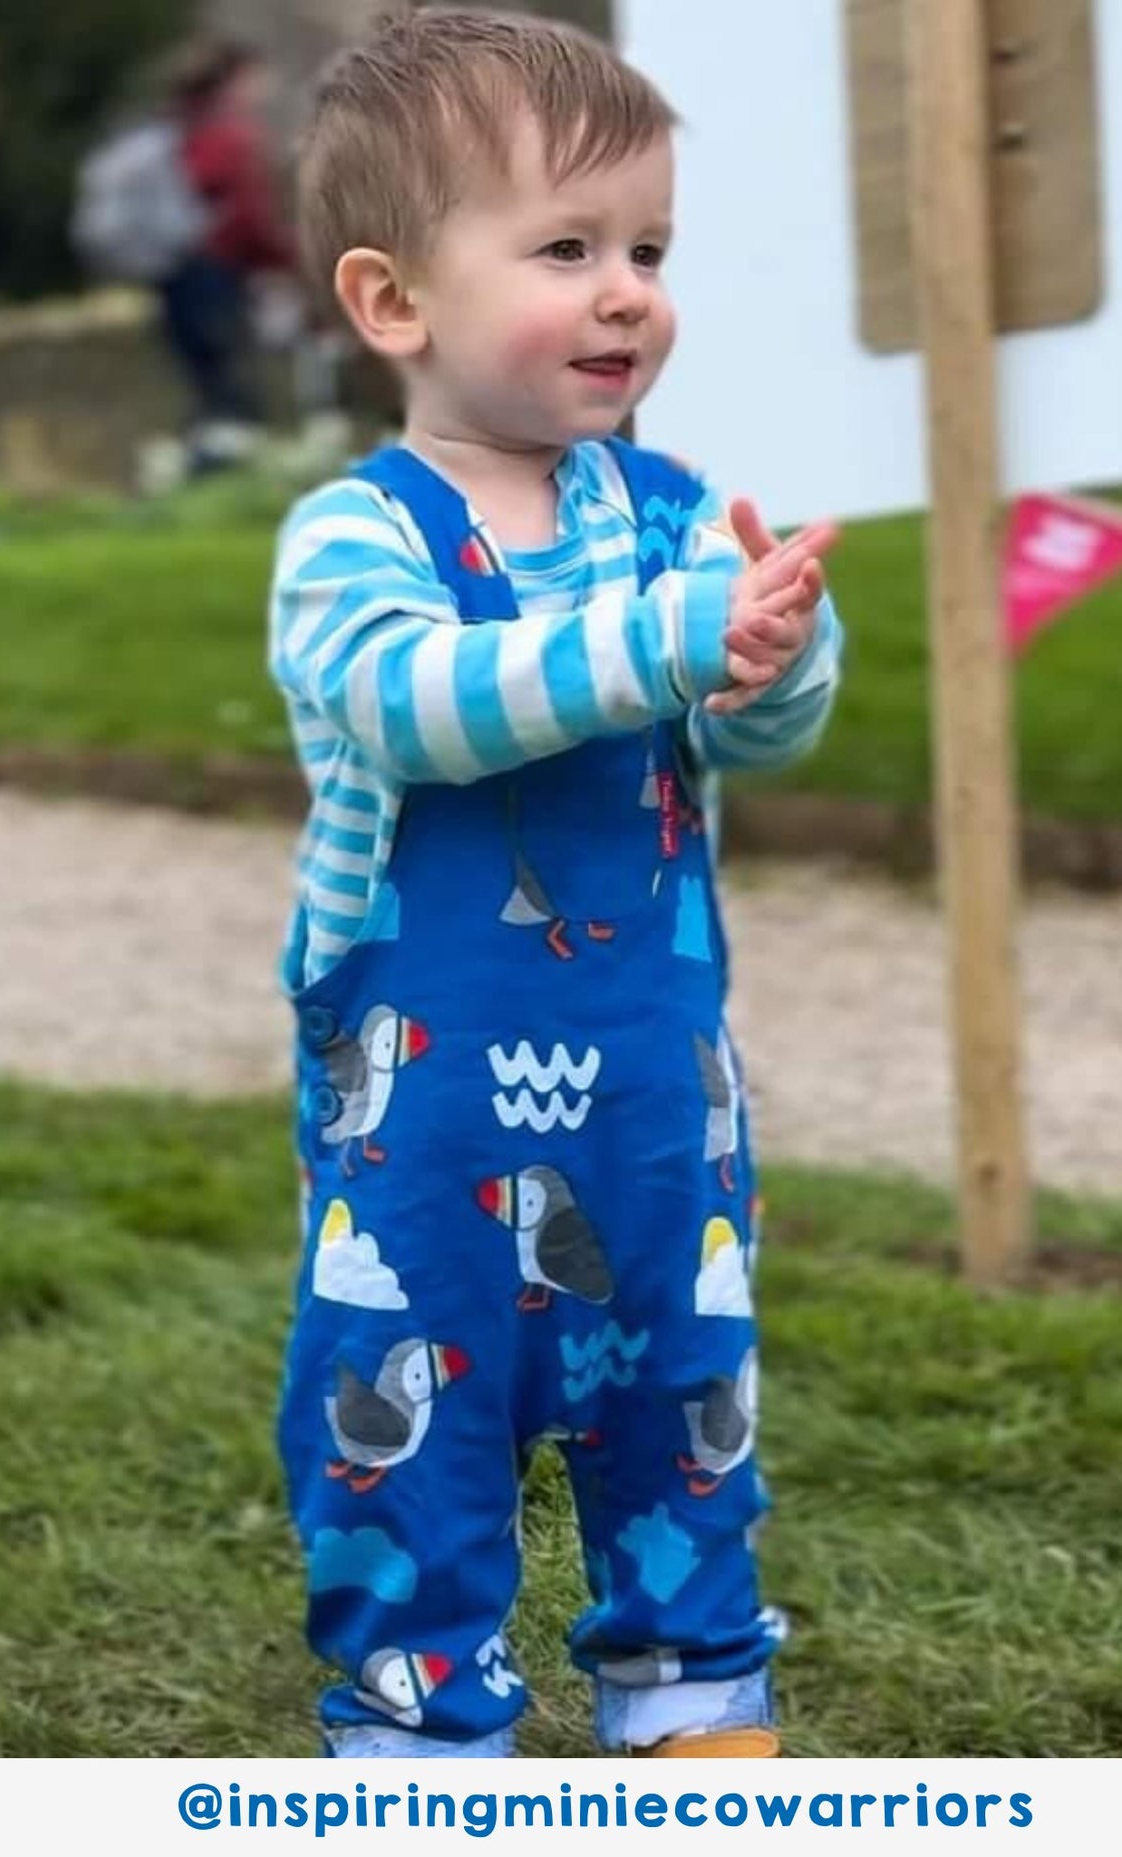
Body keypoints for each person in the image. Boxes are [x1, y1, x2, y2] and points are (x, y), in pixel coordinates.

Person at [268, 7, 844, 1760]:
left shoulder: (667, 510)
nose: (628, 292)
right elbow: (417, 706)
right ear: (395, 303)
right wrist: (677, 638)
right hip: (426, 1109)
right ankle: (420, 1710)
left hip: (661, 1091)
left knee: (685, 1376)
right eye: (568, 248)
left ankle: (690, 1685)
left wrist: (765, 666)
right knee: (410, 1406)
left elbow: (744, 744)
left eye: (649, 249)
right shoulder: (357, 533)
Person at [161, 37, 296, 470]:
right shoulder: (230, 138)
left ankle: (205, 467)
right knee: (228, 377)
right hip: (216, 271)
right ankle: (224, 472)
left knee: (203, 378)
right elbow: (246, 217)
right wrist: (287, 255)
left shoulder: (180, 129)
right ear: (236, 80)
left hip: (176, 269)